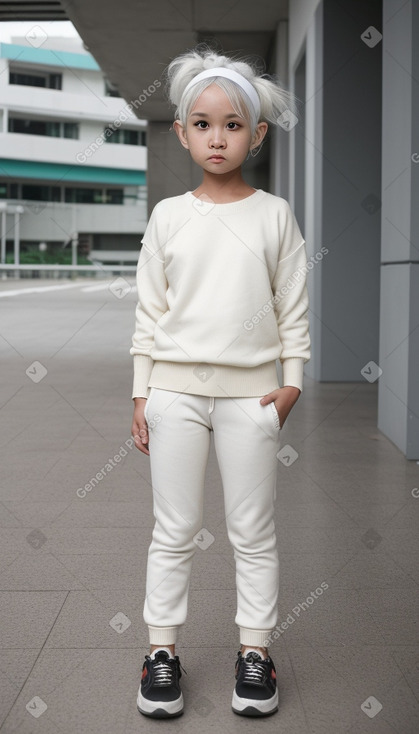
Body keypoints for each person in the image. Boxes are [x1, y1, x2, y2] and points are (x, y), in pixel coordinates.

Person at [130, 44, 310, 719]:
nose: (216, 136)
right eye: (202, 123)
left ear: (257, 135)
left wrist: (290, 383)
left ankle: (255, 654)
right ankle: (160, 654)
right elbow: (149, 311)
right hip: (175, 394)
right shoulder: (169, 217)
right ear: (181, 132)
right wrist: (142, 393)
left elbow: (292, 305)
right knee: (173, 529)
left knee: (252, 530)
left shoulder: (273, 216)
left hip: (253, 397)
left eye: (232, 124)